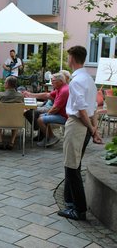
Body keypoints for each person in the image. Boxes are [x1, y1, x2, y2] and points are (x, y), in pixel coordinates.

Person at [57, 46, 102, 221]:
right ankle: (70, 202)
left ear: (72, 59)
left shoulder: (76, 81)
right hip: (85, 125)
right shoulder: (89, 79)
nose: (67, 60)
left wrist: (92, 130)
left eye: (68, 57)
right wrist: (94, 129)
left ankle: (79, 209)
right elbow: (95, 108)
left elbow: (82, 109)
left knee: (71, 167)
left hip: (77, 125)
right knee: (74, 164)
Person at [23, 72, 69, 146]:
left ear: (60, 81)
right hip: (61, 113)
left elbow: (55, 108)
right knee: (40, 116)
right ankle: (48, 137)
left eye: (53, 81)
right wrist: (30, 94)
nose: (51, 82)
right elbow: (47, 95)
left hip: (64, 116)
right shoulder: (60, 88)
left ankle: (51, 137)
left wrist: (46, 114)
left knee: (40, 119)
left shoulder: (64, 91)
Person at [0, 76, 24, 150]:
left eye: (5, 82)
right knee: (16, 116)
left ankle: (0, 140)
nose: (4, 84)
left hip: (1, 120)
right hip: (15, 121)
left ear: (7, 84)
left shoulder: (0, 95)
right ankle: (12, 142)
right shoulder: (20, 96)